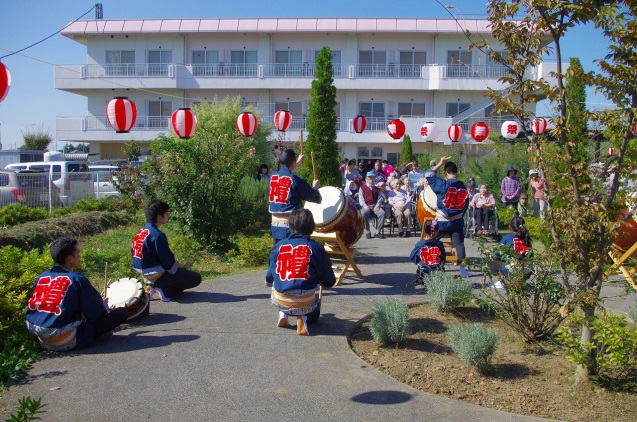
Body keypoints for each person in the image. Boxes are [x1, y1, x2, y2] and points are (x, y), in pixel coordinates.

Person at [26, 237, 128, 351]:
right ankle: (94, 336)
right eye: (78, 252)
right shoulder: (76, 279)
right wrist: (102, 304)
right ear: (70, 258)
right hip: (66, 340)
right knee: (121, 313)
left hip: (41, 338)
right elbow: (97, 313)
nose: (79, 256)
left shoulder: (41, 277)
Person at [266, 209, 336, 336]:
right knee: (314, 305)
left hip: (279, 301)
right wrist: (327, 283)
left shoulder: (279, 246)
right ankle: (303, 318)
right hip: (304, 303)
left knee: (277, 284)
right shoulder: (315, 248)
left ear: (290, 225)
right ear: (311, 226)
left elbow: (269, 276)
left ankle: (283, 313)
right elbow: (328, 278)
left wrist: (272, 281)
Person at [132, 199, 202, 300]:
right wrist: (179, 267)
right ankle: (162, 288)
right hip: (155, 273)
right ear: (159, 216)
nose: (167, 215)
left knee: (179, 272)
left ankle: (151, 286)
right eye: (166, 213)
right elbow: (167, 262)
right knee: (195, 278)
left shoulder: (141, 232)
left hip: (142, 272)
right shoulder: (157, 235)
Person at [427, 156, 471, 277]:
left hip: (442, 222)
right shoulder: (463, 187)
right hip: (457, 221)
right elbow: (465, 206)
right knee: (459, 244)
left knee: (433, 242)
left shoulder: (442, 184)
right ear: (457, 172)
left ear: (446, 173)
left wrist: (440, 163)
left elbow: (429, 175)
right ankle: (462, 269)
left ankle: (431, 267)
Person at [268, 148, 321, 244]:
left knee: (280, 255)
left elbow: (285, 175)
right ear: (292, 164)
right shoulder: (294, 180)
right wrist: (315, 187)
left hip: (275, 227)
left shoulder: (273, 177)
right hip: (291, 228)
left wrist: (297, 162)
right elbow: (313, 196)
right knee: (291, 255)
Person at [491, 214, 532, 288]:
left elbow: (496, 253)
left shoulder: (507, 237)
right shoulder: (527, 238)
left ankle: (501, 282)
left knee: (492, 260)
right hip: (527, 269)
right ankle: (522, 281)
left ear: (510, 227)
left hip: (512, 269)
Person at [410, 220, 446, 287]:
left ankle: (424, 280)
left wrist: (419, 262)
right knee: (440, 268)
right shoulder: (439, 244)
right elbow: (443, 257)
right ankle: (435, 280)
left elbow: (413, 256)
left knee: (422, 269)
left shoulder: (420, 244)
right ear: (436, 232)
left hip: (424, 268)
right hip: (437, 268)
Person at [359, 170, 386, 239]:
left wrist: (377, 206)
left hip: (375, 205)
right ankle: (367, 231)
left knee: (382, 213)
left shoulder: (377, 189)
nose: (371, 179)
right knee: (363, 214)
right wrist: (365, 206)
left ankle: (377, 232)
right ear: (366, 179)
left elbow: (380, 199)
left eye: (373, 178)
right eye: (370, 178)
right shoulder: (362, 188)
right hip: (366, 205)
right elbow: (361, 199)